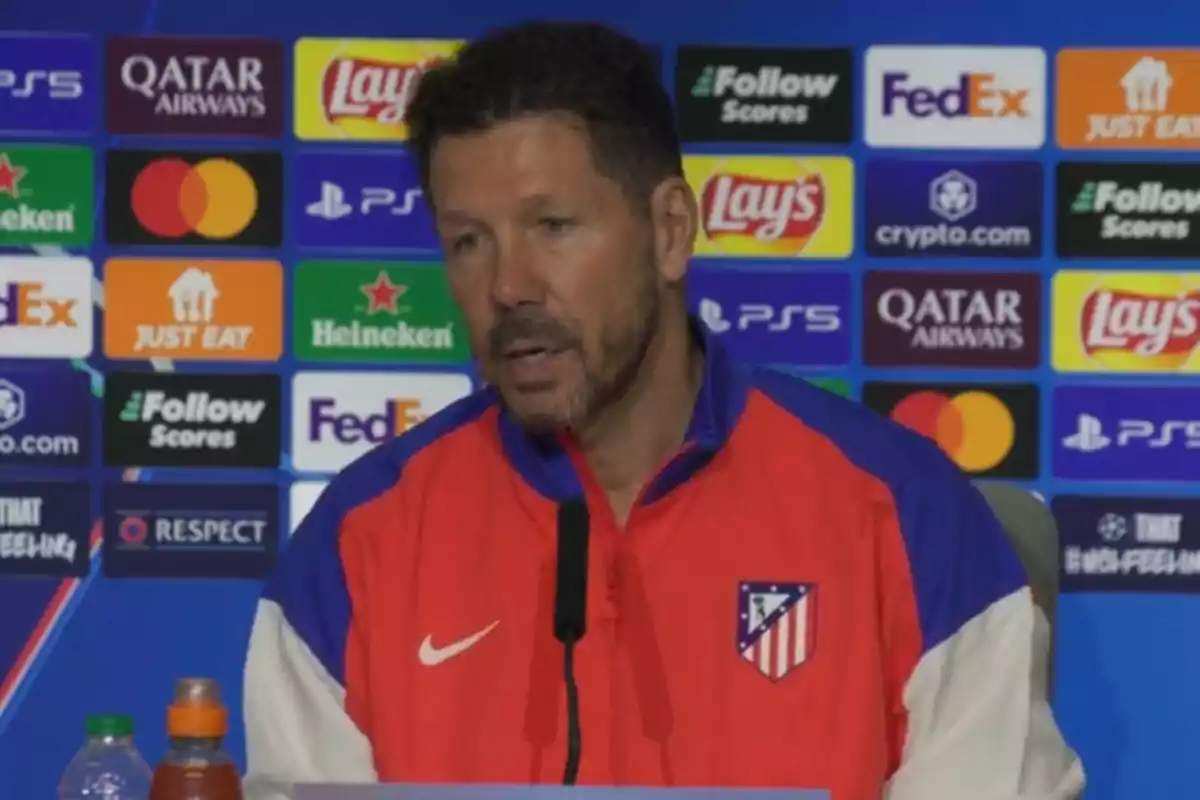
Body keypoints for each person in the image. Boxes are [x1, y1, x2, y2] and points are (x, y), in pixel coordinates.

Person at [242, 20, 1085, 800]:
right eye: (469, 240)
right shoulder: (356, 548)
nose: (507, 285)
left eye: (553, 225)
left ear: (671, 230)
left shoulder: (908, 518)